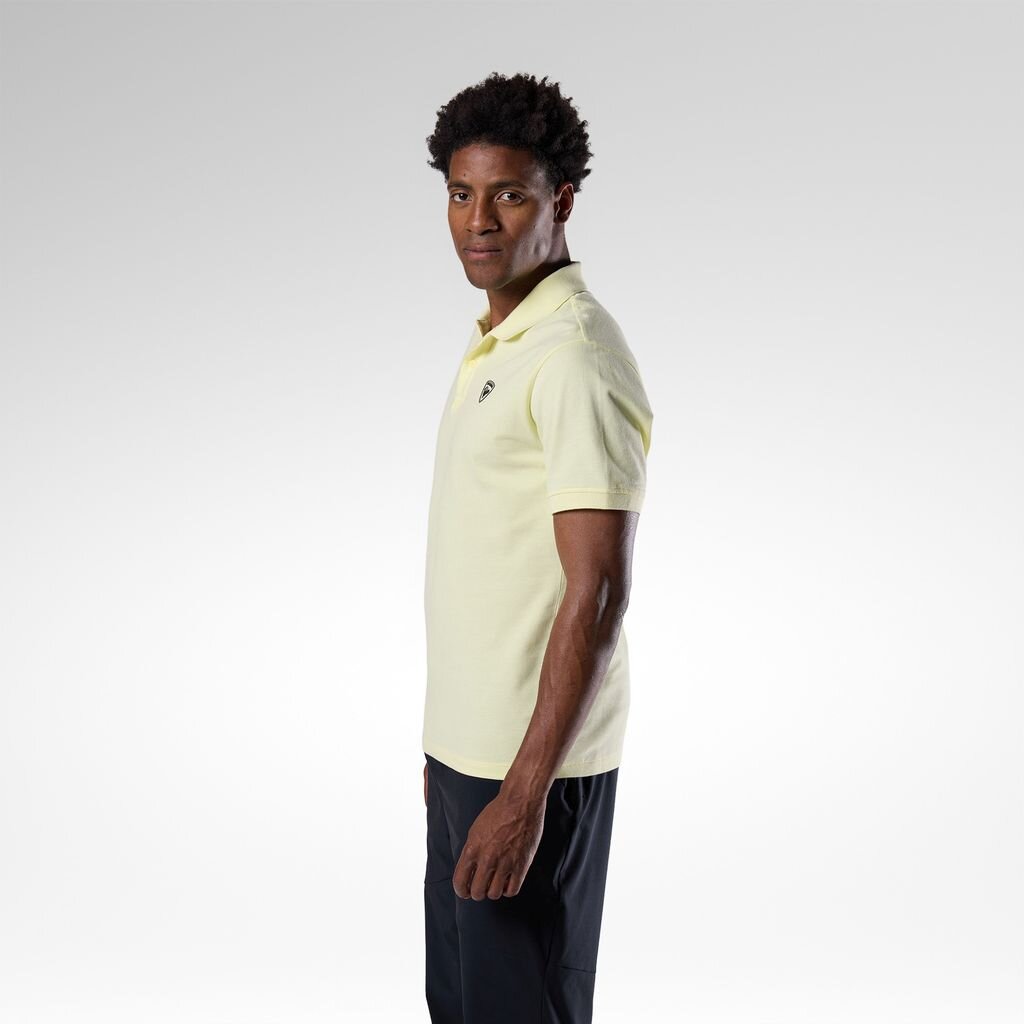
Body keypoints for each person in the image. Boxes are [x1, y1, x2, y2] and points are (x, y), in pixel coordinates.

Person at [420, 71, 654, 1024]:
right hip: (469, 757)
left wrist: (524, 795)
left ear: (560, 201)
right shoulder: (501, 342)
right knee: (461, 1007)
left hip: (533, 771)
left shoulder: (573, 355)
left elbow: (596, 593)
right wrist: (446, 754)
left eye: (509, 194)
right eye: (460, 193)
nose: (479, 221)